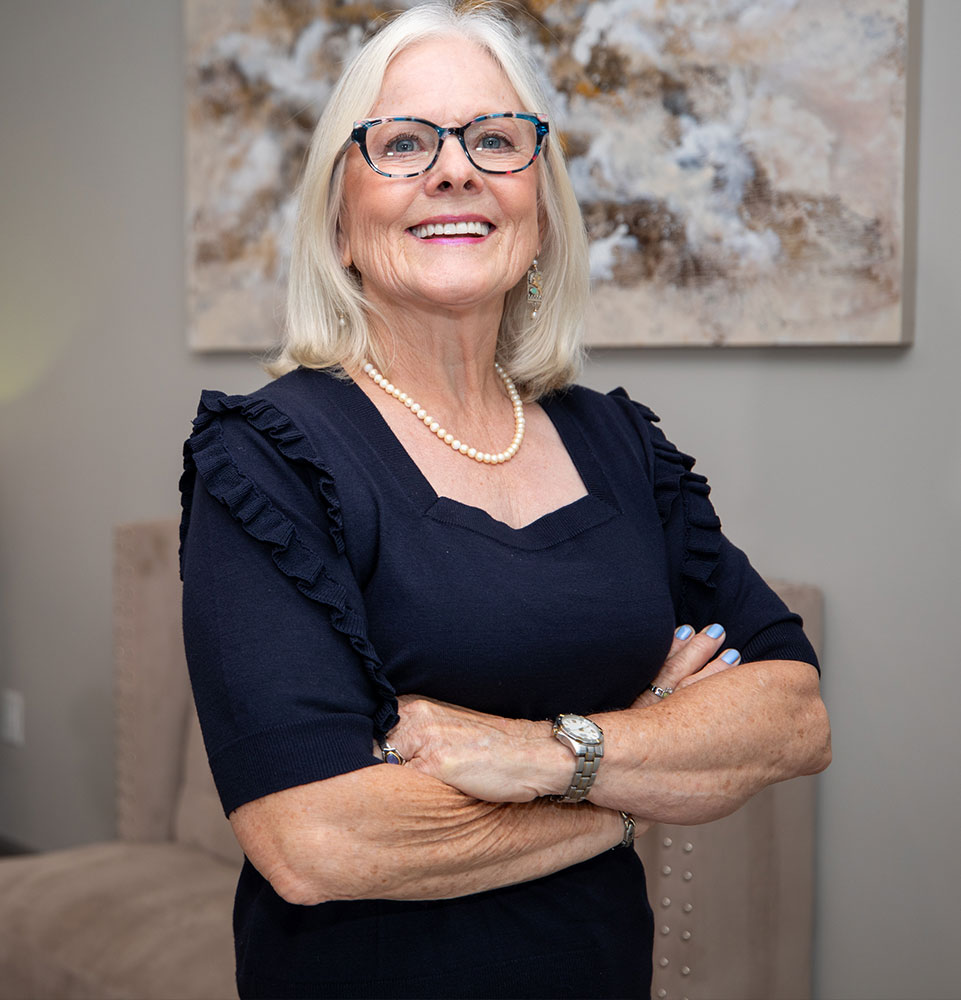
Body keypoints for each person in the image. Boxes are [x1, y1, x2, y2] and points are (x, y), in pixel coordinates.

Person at [179, 3, 831, 998]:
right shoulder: (271, 456)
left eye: (494, 138)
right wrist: (636, 779)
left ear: (540, 203)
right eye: (402, 142)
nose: (455, 170)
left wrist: (536, 753)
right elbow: (313, 838)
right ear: (339, 221)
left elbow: (790, 711)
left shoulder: (616, 444)